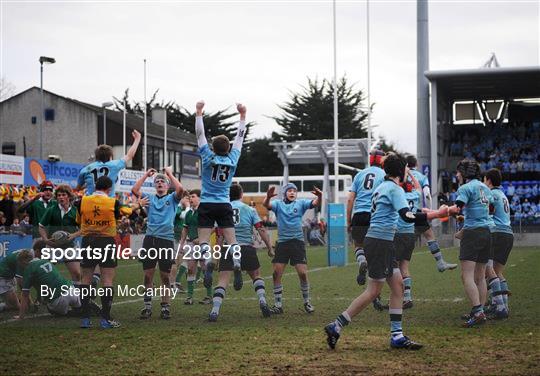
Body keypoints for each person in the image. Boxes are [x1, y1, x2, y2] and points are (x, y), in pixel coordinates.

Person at [325, 153, 449, 351]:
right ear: (400, 171)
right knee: (373, 291)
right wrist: (439, 214)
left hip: (381, 242)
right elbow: (407, 216)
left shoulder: (384, 186)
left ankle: (396, 335)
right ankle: (337, 325)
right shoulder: (394, 189)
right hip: (380, 242)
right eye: (407, 169)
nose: (409, 172)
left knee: (398, 286)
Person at [430, 159, 494, 327]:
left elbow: (457, 208)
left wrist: (442, 210)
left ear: (465, 173)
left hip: (472, 233)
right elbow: (489, 210)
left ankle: (477, 311)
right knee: (480, 276)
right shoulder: (486, 188)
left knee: (466, 275)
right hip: (486, 232)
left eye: (459, 172)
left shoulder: (465, 188)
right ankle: (480, 311)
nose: (457, 175)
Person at [194, 101, 247, 290]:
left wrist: (199, 113)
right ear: (228, 148)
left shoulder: (207, 157)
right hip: (225, 204)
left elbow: (200, 135)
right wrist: (242, 116)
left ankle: (208, 259)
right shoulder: (233, 158)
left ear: (213, 147)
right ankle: (237, 262)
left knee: (204, 239)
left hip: (207, 203)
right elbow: (239, 139)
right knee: (232, 240)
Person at [208, 183, 274, 321]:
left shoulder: (223, 211)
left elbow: (219, 234)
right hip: (246, 247)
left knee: (222, 281)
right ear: (241, 194)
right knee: (256, 276)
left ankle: (215, 310)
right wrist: (269, 247)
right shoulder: (249, 210)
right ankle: (262, 301)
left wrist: (217, 254)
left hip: (228, 248)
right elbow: (260, 229)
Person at [263, 182, 322, 314]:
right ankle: (278, 305)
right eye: (289, 190)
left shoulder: (300, 204)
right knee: (276, 274)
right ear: (285, 193)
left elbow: (315, 203)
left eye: (294, 191)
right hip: (283, 243)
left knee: (302, 273)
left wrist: (320, 196)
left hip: (297, 242)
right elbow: (266, 205)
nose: (292, 193)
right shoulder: (278, 204)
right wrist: (267, 197)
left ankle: (307, 302)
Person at [132, 167, 183, 320]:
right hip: (150, 239)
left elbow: (180, 188)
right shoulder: (149, 198)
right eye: (157, 181)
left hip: (166, 240)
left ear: (167, 186)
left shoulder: (173, 198)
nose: (160, 183)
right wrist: (146, 175)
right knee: (148, 276)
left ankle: (165, 307)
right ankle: (147, 307)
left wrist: (170, 174)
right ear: (154, 185)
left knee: (165, 276)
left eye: (163, 181)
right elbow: (135, 190)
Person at [75, 176, 122, 329]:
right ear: (109, 188)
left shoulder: (82, 200)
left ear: (96, 186)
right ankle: (105, 320)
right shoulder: (113, 202)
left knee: (85, 280)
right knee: (107, 280)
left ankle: (85, 319)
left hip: (88, 241)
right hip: (106, 241)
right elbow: (116, 219)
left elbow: (79, 222)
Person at [405, 155, 457, 272]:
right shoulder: (422, 177)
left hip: (403, 212)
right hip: (417, 212)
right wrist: (429, 210)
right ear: (416, 164)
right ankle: (440, 262)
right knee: (429, 235)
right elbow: (427, 194)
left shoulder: (402, 176)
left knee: (404, 241)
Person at [347, 149, 386, 286]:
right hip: (375, 216)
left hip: (359, 215)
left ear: (370, 160)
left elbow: (350, 199)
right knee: (375, 253)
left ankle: (361, 261)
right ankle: (375, 292)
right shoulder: (384, 175)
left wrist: (348, 221)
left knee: (358, 245)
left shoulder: (359, 175)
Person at [16, 248, 81, 319]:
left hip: (59, 299)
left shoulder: (29, 269)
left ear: (24, 261)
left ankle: (67, 313)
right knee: (78, 308)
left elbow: (25, 295)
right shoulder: (44, 260)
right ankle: (80, 307)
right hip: (72, 290)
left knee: (50, 307)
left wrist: (21, 316)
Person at [483, 168, 513, 318]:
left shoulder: (492, 194)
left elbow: (488, 213)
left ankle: (499, 306)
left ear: (488, 180)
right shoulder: (503, 195)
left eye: (484, 179)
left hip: (497, 233)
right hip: (508, 234)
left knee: (488, 270)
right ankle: (502, 305)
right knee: (498, 271)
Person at [38, 184, 81, 288]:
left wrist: (73, 235)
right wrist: (45, 240)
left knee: (77, 274)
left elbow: (83, 228)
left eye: (63, 195)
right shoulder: (52, 210)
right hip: (53, 246)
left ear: (69, 196)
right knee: (46, 274)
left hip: (70, 246)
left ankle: (77, 298)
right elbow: (41, 226)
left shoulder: (76, 211)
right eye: (59, 195)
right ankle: (43, 298)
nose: (61, 197)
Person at [76, 130, 141, 197]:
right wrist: (137, 139)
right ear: (110, 157)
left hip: (90, 202)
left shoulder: (86, 169)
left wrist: (90, 184)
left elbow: (78, 188)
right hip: (108, 203)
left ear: (96, 156)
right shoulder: (114, 165)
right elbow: (129, 156)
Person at [179, 189, 213, 305]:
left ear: (200, 198)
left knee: (205, 270)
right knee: (191, 269)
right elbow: (185, 229)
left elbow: (213, 227)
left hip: (203, 245)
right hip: (191, 245)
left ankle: (209, 296)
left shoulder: (205, 211)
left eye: (193, 197)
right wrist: (181, 244)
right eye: (189, 197)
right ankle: (189, 297)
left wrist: (203, 238)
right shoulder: (189, 213)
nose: (190, 199)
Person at [395, 171, 423, 309]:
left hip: (399, 234)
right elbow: (419, 187)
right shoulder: (415, 195)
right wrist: (411, 174)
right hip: (411, 235)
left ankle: (397, 296)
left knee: (394, 267)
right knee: (405, 267)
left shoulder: (400, 196)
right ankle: (407, 297)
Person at [169, 192, 191, 293]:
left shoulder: (181, 208)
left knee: (180, 262)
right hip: (175, 238)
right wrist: (187, 207)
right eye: (186, 198)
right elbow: (183, 216)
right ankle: (171, 284)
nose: (188, 201)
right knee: (174, 262)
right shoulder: (177, 207)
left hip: (181, 239)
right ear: (181, 199)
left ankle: (173, 283)